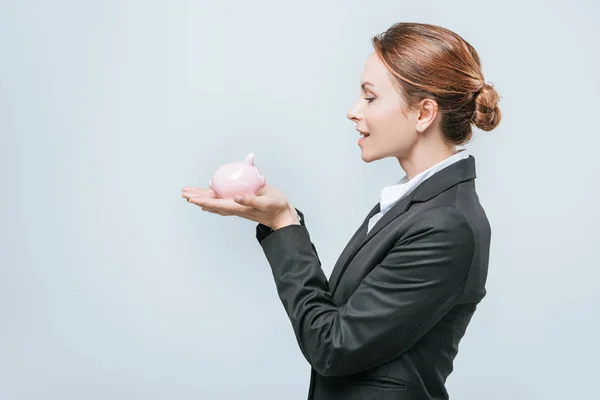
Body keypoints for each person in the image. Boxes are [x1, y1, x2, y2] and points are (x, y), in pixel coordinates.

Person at [183, 21, 501, 400]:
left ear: (423, 114)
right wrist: (281, 221)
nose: (353, 111)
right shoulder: (413, 203)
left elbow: (333, 346)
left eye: (370, 98)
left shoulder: (446, 224)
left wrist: (283, 223)